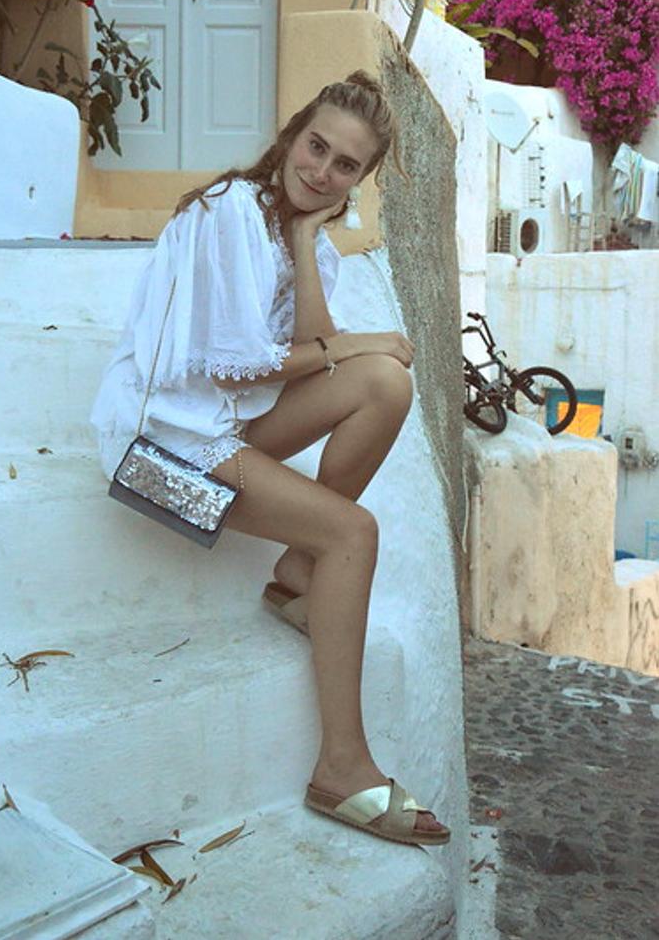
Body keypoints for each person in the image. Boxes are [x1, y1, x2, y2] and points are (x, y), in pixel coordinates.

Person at [91, 71, 450, 847]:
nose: (321, 171)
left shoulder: (297, 232)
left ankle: (295, 571)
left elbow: (316, 349)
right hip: (160, 446)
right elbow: (236, 366)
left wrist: (306, 243)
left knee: (384, 382)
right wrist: (356, 341)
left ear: (360, 179)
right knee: (353, 530)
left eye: (345, 165)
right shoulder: (227, 211)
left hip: (220, 426)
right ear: (291, 136)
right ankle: (342, 766)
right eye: (315, 147)